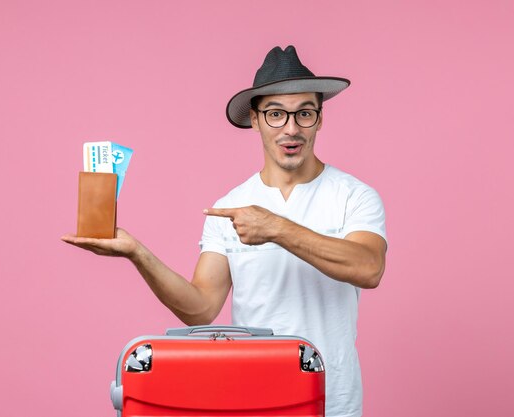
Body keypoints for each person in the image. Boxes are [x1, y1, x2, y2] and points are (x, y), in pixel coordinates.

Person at [62, 45, 387, 417]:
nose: (291, 128)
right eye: (276, 114)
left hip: (333, 401)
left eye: (305, 113)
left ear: (320, 118)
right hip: (253, 399)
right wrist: (138, 253)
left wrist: (277, 228)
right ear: (256, 119)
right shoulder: (231, 205)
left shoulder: (354, 196)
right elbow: (200, 309)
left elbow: (368, 268)